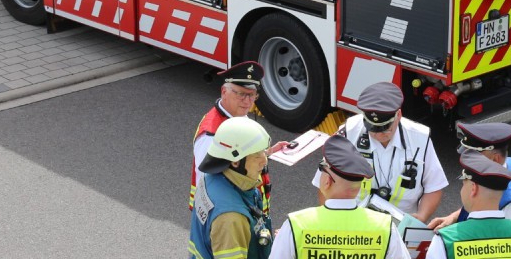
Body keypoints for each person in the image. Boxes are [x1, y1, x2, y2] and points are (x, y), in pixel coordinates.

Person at [313, 82, 448, 221]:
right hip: (355, 221)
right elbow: (324, 184)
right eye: (373, 129)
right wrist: (333, 221)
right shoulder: (349, 132)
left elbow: (434, 186)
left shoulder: (419, 138)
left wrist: (421, 217)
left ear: (398, 115)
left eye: (385, 129)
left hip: (399, 224)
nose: (378, 135)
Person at [268, 137, 410, 258]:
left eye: (322, 167)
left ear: (327, 181)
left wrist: (287, 237)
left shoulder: (296, 225)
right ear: (358, 187)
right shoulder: (385, 227)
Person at [427, 122, 511, 259]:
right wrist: (453, 217)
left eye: (475, 155)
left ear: (495, 159)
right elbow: (485, 201)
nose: (470, 159)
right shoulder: (509, 165)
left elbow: (502, 252)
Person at [189, 61, 285, 213]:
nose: (247, 101)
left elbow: (238, 156)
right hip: (230, 212)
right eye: (241, 94)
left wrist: (268, 152)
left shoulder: (237, 117)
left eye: (252, 95)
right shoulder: (212, 134)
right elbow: (208, 181)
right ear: (224, 92)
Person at [189, 117, 275, 259]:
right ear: (235, 162)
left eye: (263, 152)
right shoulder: (231, 218)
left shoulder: (211, 179)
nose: (264, 161)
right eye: (256, 155)